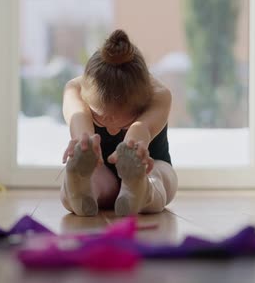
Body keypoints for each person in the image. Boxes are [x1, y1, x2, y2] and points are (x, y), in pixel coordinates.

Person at [60, 29, 178, 216]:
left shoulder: (159, 95)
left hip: (149, 163)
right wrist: (86, 145)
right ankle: (79, 189)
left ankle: (141, 189)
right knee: (93, 176)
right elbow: (80, 123)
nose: (113, 130)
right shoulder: (74, 90)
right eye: (101, 118)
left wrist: (133, 150)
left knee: (160, 178)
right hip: (99, 169)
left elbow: (141, 129)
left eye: (124, 123)